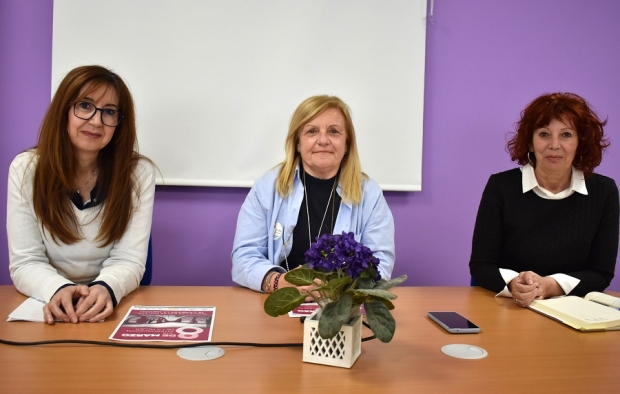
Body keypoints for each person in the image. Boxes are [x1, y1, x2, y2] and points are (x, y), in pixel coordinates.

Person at [7, 65, 156, 324]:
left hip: (109, 303)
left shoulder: (138, 173)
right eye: (85, 106)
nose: (96, 121)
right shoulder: (26, 169)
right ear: (64, 110)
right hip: (47, 299)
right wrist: (58, 289)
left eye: (109, 112)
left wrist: (105, 288)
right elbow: (26, 261)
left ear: (119, 124)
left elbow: (129, 259)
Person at [231, 95, 395, 295]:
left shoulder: (369, 193)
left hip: (340, 307)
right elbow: (244, 257)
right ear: (298, 143)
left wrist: (340, 291)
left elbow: (381, 264)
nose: (323, 140)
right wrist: (278, 282)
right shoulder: (267, 187)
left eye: (334, 131)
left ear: (347, 144)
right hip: (281, 302)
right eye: (312, 131)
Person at [469, 92, 619, 308]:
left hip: (572, 309)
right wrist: (514, 283)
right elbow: (481, 265)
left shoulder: (604, 191)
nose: (554, 145)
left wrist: (549, 285)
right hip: (508, 307)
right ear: (530, 142)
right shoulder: (501, 186)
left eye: (566, 134)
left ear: (580, 142)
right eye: (544, 134)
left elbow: (601, 273)